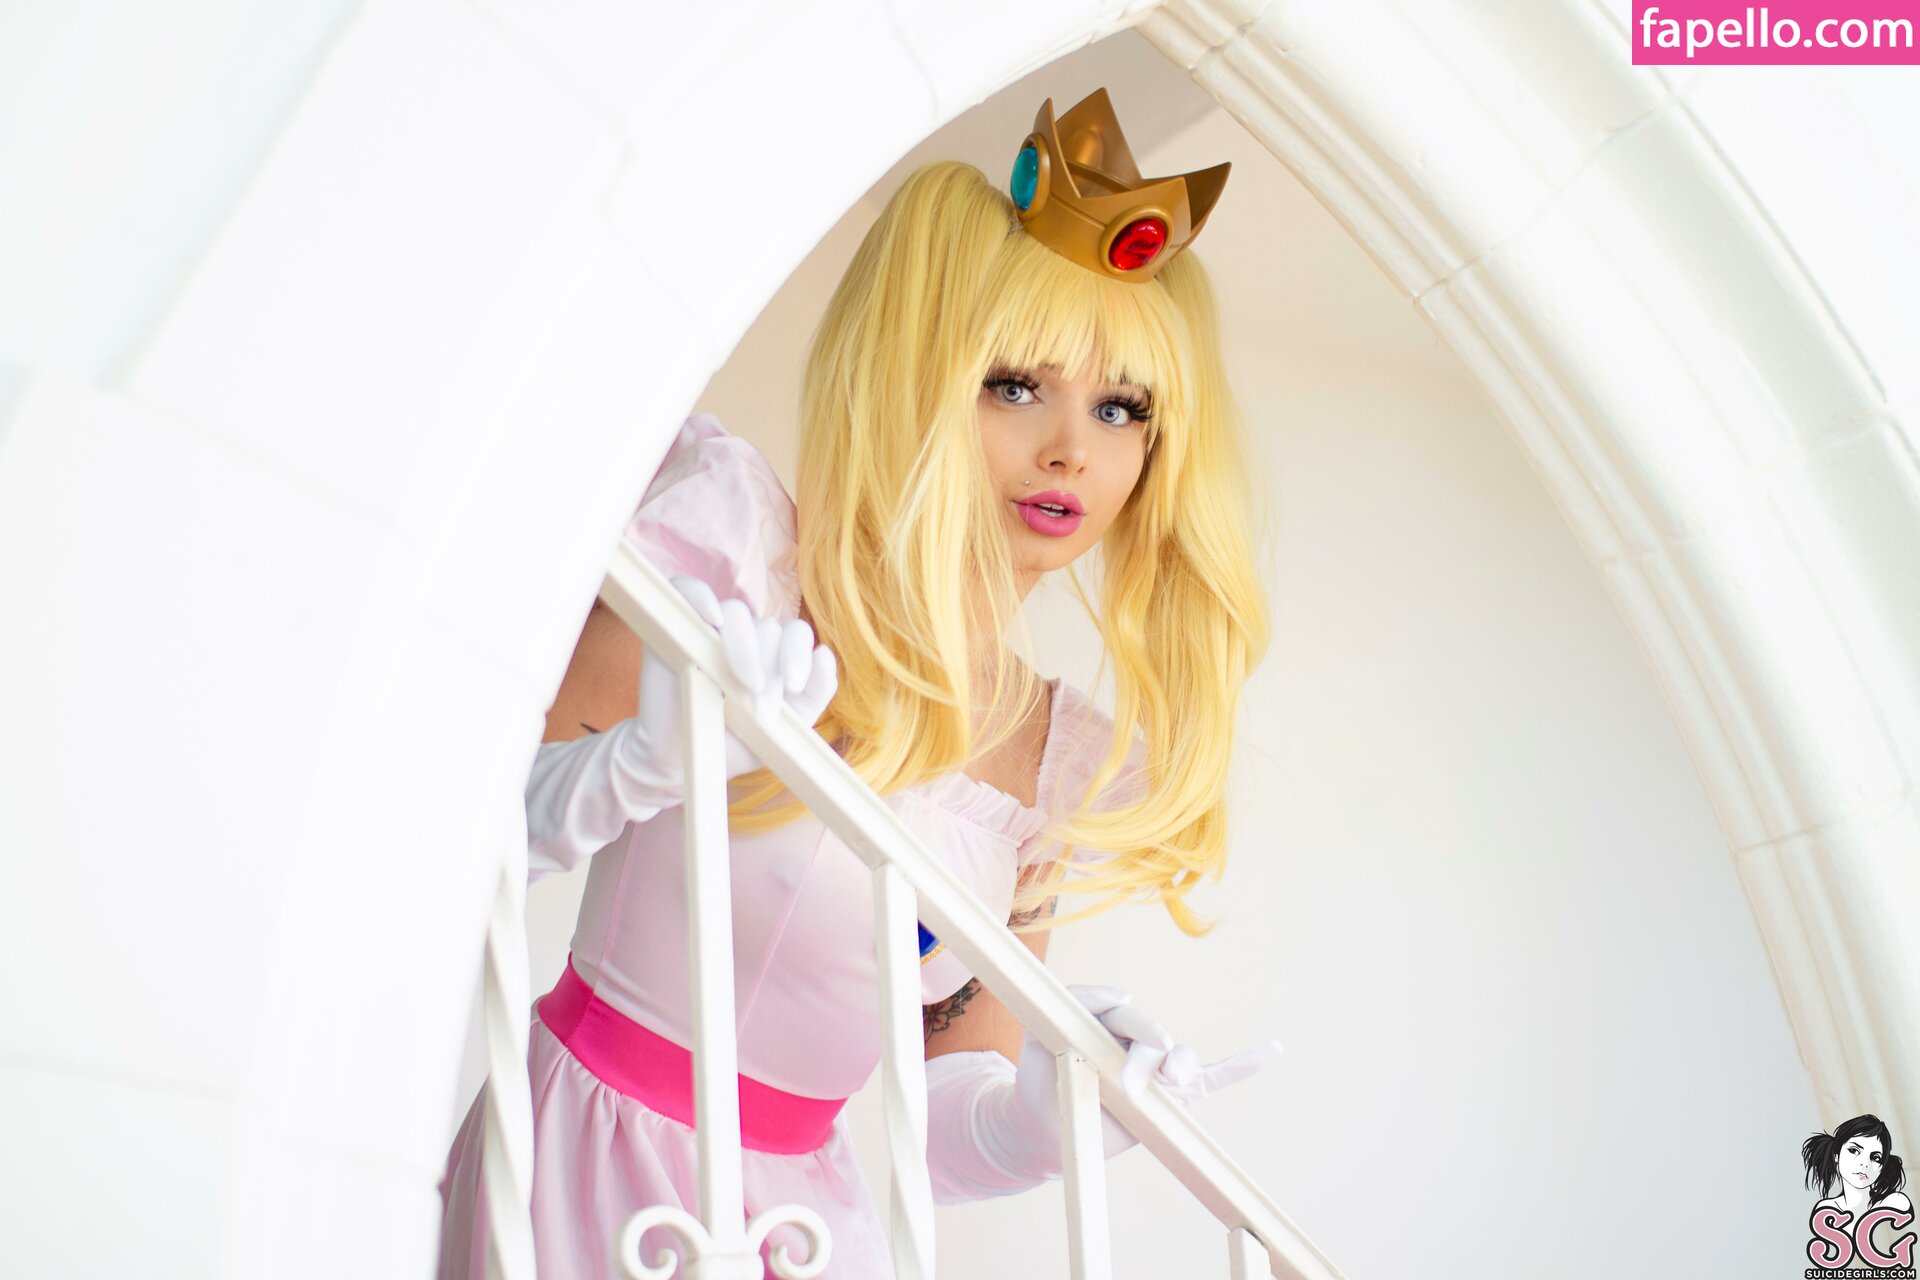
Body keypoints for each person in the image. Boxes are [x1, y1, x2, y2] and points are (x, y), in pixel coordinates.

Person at [437, 88, 1277, 1278]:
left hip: (809, 1227)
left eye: (1119, 407)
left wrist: (1051, 1114)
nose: (1070, 450)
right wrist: (637, 764)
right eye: (1014, 384)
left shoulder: (1052, 756)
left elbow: (940, 1114)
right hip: (594, 1165)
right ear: (919, 377)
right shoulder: (745, 557)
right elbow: (453, 851)